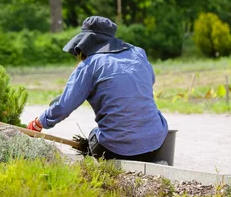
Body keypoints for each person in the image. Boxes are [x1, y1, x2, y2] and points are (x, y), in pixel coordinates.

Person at [27, 16, 169, 162]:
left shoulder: (89, 65)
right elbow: (149, 80)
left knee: (93, 137)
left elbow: (64, 106)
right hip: (156, 141)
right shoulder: (138, 53)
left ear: (85, 43)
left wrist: (39, 122)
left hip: (116, 148)